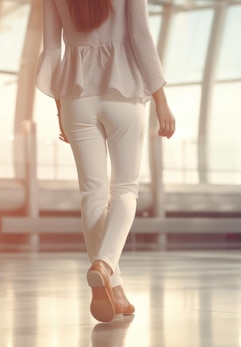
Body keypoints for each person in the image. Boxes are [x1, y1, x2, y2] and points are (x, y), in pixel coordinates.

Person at [36, 0, 176, 323]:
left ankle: (115, 287)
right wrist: (161, 100)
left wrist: (61, 111)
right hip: (123, 91)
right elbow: (141, 36)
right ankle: (105, 264)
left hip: (76, 97)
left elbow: (52, 51)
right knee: (125, 188)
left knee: (92, 194)